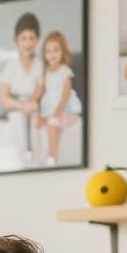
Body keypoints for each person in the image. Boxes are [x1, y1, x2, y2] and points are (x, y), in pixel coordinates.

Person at [0, 12, 44, 167]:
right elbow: (4, 98)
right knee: (18, 119)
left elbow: (40, 88)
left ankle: (36, 162)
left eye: (32, 38)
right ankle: (21, 162)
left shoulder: (39, 65)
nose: (28, 43)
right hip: (15, 106)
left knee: (36, 120)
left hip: (33, 105)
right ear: (16, 40)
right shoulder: (10, 66)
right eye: (23, 38)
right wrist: (22, 106)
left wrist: (33, 102)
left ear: (37, 40)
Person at [34, 30, 82, 166]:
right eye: (48, 51)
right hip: (48, 107)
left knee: (53, 123)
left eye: (55, 50)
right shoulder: (44, 72)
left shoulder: (65, 72)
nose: (52, 54)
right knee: (36, 122)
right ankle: (33, 157)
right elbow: (40, 91)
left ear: (63, 52)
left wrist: (57, 112)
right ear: (44, 54)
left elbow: (65, 97)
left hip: (64, 108)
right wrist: (31, 101)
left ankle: (52, 156)